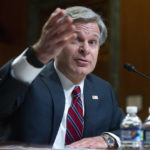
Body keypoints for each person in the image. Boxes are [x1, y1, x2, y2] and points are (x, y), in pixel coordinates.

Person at [0, 6, 124, 149]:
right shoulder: (29, 79)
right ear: (57, 42)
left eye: (92, 42)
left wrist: (108, 140)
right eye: (77, 39)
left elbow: (132, 130)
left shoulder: (102, 90)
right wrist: (37, 55)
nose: (85, 49)